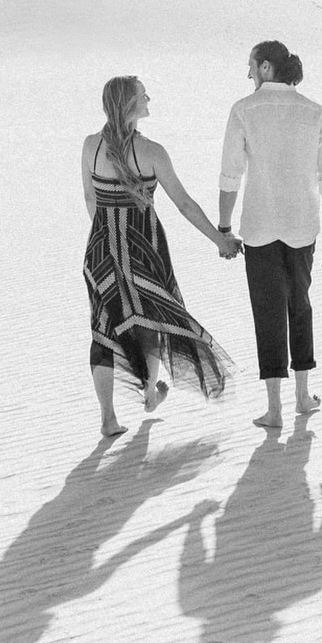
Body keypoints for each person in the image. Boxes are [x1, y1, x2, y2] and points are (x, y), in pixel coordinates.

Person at [83, 75, 241, 437]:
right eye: (143, 95)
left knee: (104, 328)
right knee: (150, 321)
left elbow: (91, 200)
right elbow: (184, 204)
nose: (149, 98)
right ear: (129, 104)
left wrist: (106, 238)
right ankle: (150, 393)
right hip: (144, 250)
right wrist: (220, 240)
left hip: (101, 251)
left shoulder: (90, 146)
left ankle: (108, 417)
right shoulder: (152, 152)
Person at [217, 41, 322, 430]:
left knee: (267, 312)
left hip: (258, 227)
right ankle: (303, 396)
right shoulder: (315, 112)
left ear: (267, 67)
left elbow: (230, 175)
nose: (249, 74)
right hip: (302, 225)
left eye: (251, 66)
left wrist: (224, 227)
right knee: (300, 305)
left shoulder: (243, 110)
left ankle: (275, 409)